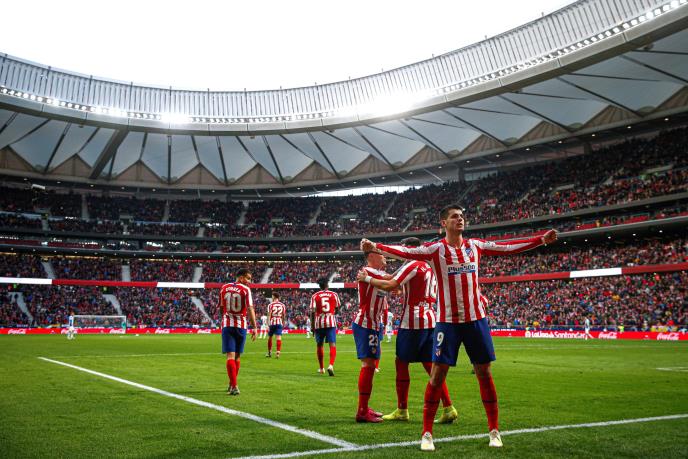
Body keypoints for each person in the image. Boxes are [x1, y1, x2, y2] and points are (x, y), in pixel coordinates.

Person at [361, 204, 558, 451]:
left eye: (462, 216)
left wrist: (540, 240)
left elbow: (507, 246)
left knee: (484, 372)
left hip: (476, 320)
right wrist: (376, 246)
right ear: (444, 223)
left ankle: (494, 431)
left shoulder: (475, 246)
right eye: (455, 217)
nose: (460, 219)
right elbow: (406, 251)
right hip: (448, 322)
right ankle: (426, 434)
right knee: (437, 375)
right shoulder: (436, 250)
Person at [357, 237, 457, 424]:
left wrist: (367, 279)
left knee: (401, 363)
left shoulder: (411, 264)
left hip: (412, 321)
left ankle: (402, 409)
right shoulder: (430, 266)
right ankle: (448, 407)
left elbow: (391, 283)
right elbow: (399, 282)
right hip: (430, 320)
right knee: (431, 365)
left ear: (409, 249)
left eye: (403, 250)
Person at [353, 251, 389, 423]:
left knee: (371, 364)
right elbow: (394, 282)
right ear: (372, 257)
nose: (385, 257)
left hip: (372, 324)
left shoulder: (375, 273)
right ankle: (362, 411)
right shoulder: (369, 271)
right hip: (366, 323)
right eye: (382, 254)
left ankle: (364, 406)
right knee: (368, 365)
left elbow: (393, 285)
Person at [219, 268, 258, 395]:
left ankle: (233, 385)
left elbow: (221, 307)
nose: (249, 281)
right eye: (248, 278)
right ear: (241, 277)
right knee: (237, 356)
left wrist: (223, 318)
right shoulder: (245, 290)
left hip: (227, 325)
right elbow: (250, 308)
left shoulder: (224, 287)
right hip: (241, 326)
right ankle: (233, 385)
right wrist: (255, 327)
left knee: (230, 356)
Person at [310, 278, 340, 376]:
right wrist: (332, 313)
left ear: (319, 286)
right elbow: (337, 308)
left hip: (319, 324)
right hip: (330, 323)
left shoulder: (315, 296)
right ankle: (331, 365)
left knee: (319, 345)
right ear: (327, 285)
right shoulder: (334, 294)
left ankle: (321, 368)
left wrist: (312, 326)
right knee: (332, 344)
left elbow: (312, 312)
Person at [266, 292, 286, 358]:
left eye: (272, 296)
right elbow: (283, 315)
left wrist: (267, 324)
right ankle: (278, 353)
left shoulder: (270, 305)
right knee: (279, 337)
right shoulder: (282, 305)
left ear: (274, 297)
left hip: (272, 323)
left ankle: (269, 352)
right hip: (279, 322)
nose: (272, 297)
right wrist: (283, 323)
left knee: (270, 337)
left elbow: (269, 315)